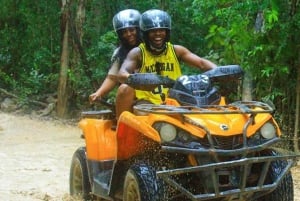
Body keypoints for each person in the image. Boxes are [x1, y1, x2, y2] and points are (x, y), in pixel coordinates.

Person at [116, 9, 217, 118]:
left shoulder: (177, 50)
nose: (158, 34)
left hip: (176, 101)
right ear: (146, 33)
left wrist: (219, 71)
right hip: (147, 103)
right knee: (125, 89)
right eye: (153, 31)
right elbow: (121, 74)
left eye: (161, 30)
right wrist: (138, 79)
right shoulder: (138, 53)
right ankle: (121, 125)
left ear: (167, 32)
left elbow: (201, 63)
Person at [89, 9, 142, 102]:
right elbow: (112, 78)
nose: (128, 34)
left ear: (138, 29)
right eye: (124, 32)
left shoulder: (151, 48)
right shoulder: (119, 53)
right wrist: (99, 93)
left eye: (131, 30)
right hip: (130, 97)